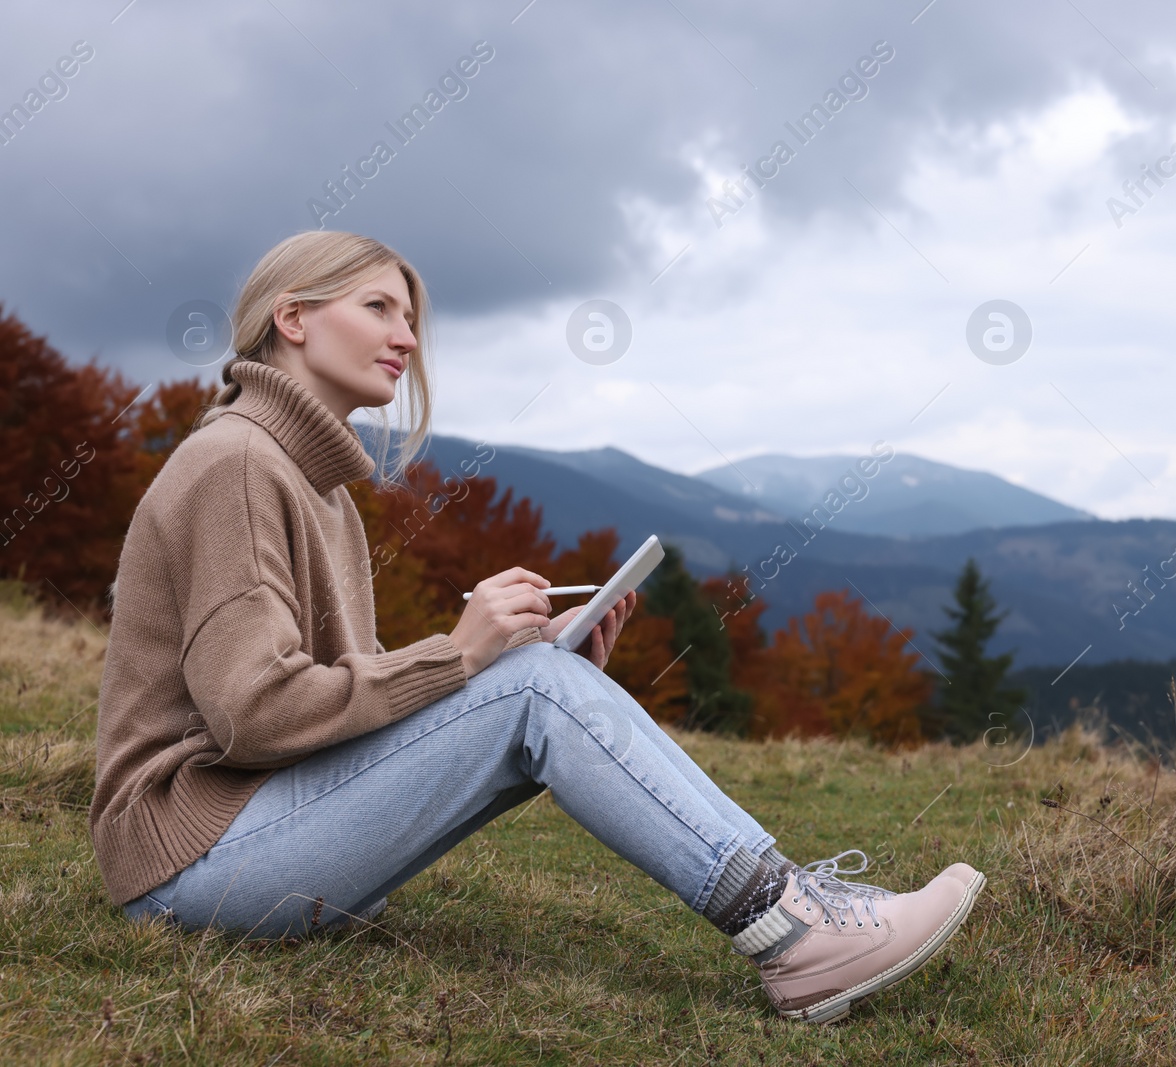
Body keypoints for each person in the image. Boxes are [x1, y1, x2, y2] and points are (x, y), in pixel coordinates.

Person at [89, 231, 985, 1024]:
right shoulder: (235, 463)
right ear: (292, 316)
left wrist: (514, 667)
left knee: (535, 674)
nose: (407, 337)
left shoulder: (317, 490)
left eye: (411, 318)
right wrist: (464, 658)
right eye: (379, 308)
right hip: (190, 865)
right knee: (523, 682)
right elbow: (255, 714)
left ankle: (796, 911)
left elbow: (332, 718)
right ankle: (795, 927)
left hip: (245, 838)